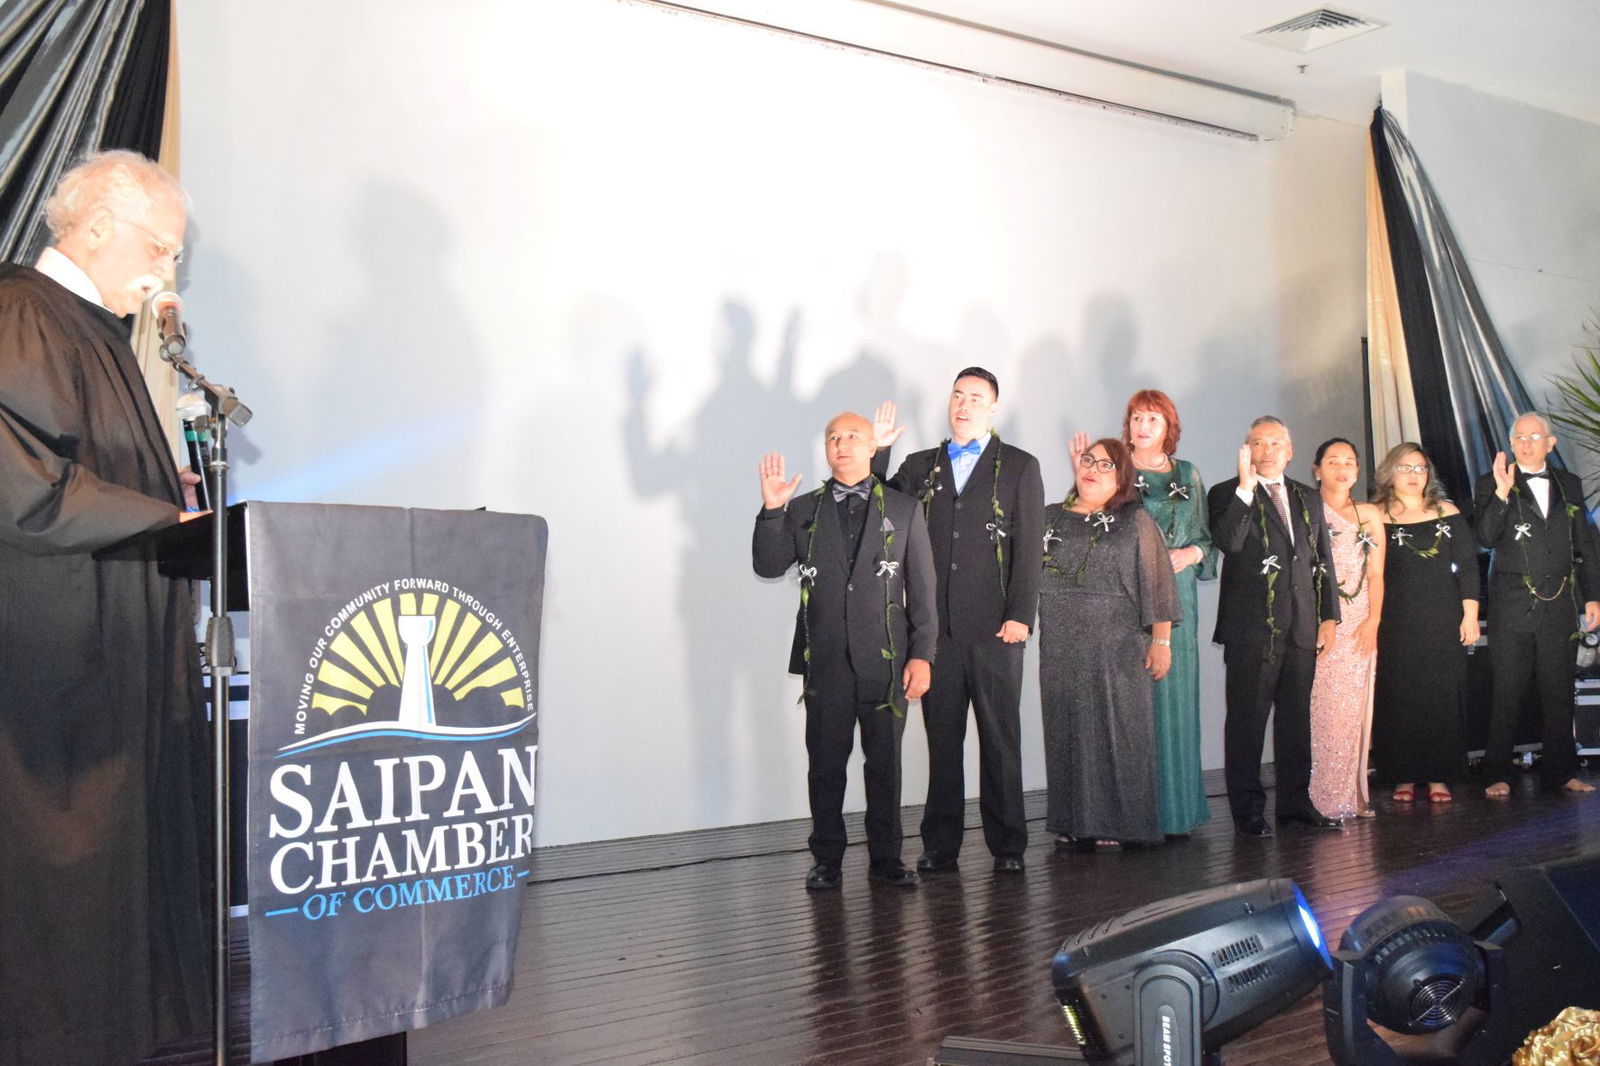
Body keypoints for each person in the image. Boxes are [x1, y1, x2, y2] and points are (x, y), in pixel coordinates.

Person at [0, 151, 212, 1064]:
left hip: (117, 641)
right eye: (158, 246)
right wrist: (167, 514)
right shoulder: (19, 312)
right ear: (92, 225)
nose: (164, 269)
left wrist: (182, 503)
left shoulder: (94, 330)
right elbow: (26, 489)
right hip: (54, 655)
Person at [870, 368, 1044, 873]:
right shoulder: (920, 465)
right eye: (957, 396)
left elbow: (1029, 546)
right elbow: (877, 508)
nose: (964, 405)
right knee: (942, 741)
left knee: (999, 739)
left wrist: (1020, 615)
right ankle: (940, 845)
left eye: (976, 398)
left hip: (996, 630)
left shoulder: (1018, 466)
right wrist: (879, 453)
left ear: (993, 409)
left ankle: (1008, 846)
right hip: (935, 634)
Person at [753, 411, 937, 890]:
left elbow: (923, 589)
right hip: (827, 661)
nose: (842, 443)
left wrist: (922, 655)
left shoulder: (903, 509)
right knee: (827, 766)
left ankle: (887, 859)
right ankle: (827, 860)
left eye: (853, 435)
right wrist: (772, 510)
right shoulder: (802, 509)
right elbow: (769, 565)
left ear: (873, 445)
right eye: (833, 436)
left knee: (886, 766)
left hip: (886, 661)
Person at [1038, 437, 1176, 849]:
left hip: (1116, 646)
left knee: (1117, 732)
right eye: (1087, 460)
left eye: (1104, 465)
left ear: (1123, 478)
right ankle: (1073, 820)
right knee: (1066, 730)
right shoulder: (1049, 518)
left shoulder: (1135, 520)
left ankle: (1119, 822)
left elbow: (1157, 581)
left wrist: (1162, 641)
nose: (1092, 469)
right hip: (1060, 643)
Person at [1208, 415, 1341, 836]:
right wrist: (1246, 490)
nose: (1267, 452)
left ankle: (1296, 807)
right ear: (1246, 449)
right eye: (1258, 444)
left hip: (1301, 628)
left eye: (1275, 444)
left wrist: (1329, 616)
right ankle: (1247, 812)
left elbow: (1322, 560)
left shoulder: (1307, 496)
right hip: (1251, 631)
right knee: (1247, 723)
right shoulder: (1225, 493)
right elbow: (1228, 542)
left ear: (1290, 450)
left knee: (1295, 722)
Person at [1473, 413, 1600, 798]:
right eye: (1518, 437)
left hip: (1560, 602)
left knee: (1559, 689)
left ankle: (1561, 772)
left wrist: (1593, 595)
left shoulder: (1570, 484)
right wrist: (1500, 493)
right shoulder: (1490, 483)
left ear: (1551, 443)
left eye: (1534, 436)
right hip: (1512, 605)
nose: (1526, 443)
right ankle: (1497, 771)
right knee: (1507, 690)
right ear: (1510, 443)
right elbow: (1485, 537)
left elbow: (1586, 544)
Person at [1123, 390, 1214, 836]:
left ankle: (1175, 813)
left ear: (1168, 428)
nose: (1143, 426)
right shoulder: (1114, 468)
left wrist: (1191, 552)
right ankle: (1132, 814)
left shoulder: (1188, 474)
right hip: (1126, 599)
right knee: (1129, 704)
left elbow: (1208, 540)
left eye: (1153, 419)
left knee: (1173, 702)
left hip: (1177, 600)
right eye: (1137, 417)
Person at [1370, 443, 1479, 804]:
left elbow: (1468, 566)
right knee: (1399, 697)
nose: (1414, 475)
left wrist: (1470, 614)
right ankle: (1403, 775)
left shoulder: (1446, 511)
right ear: (1389, 473)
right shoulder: (1376, 516)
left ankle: (1438, 777)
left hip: (1443, 619)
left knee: (1441, 697)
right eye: (1405, 468)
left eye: (1420, 468)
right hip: (1395, 623)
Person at [1306, 438, 1386, 821]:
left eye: (1349, 462)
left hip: (1358, 622)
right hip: (1317, 621)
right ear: (1316, 468)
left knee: (1354, 710)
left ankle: (1351, 792)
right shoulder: (1305, 509)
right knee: (1318, 710)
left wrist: (1373, 621)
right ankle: (1317, 796)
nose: (1342, 469)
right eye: (1333, 461)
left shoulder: (1369, 513)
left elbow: (1376, 574)